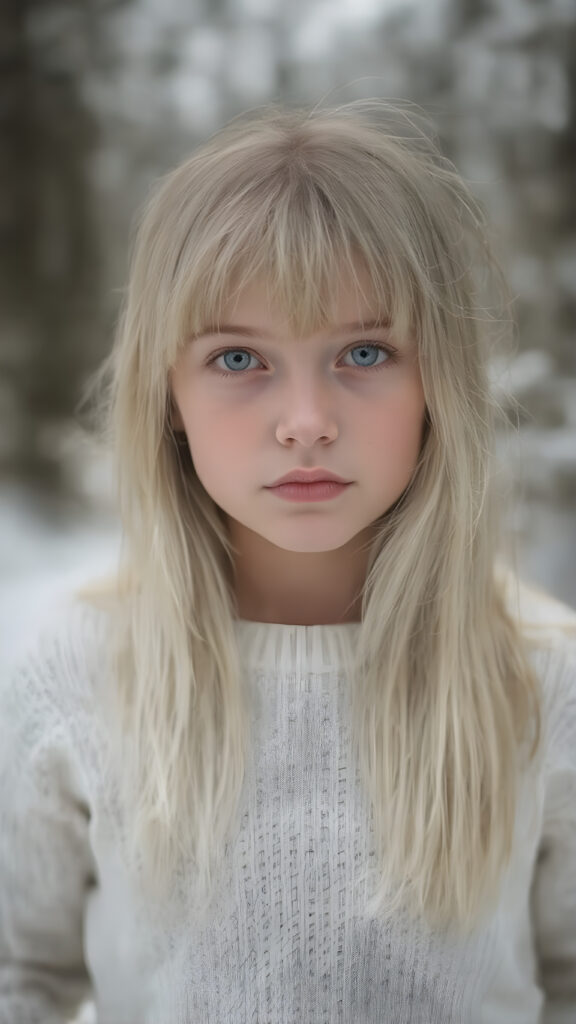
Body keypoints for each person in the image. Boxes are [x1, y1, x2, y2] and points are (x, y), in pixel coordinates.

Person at [0, 100, 575, 1024]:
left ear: (440, 385)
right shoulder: (75, 671)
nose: (306, 418)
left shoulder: (542, 676)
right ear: (168, 398)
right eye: (238, 358)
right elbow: (23, 977)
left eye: (363, 350)